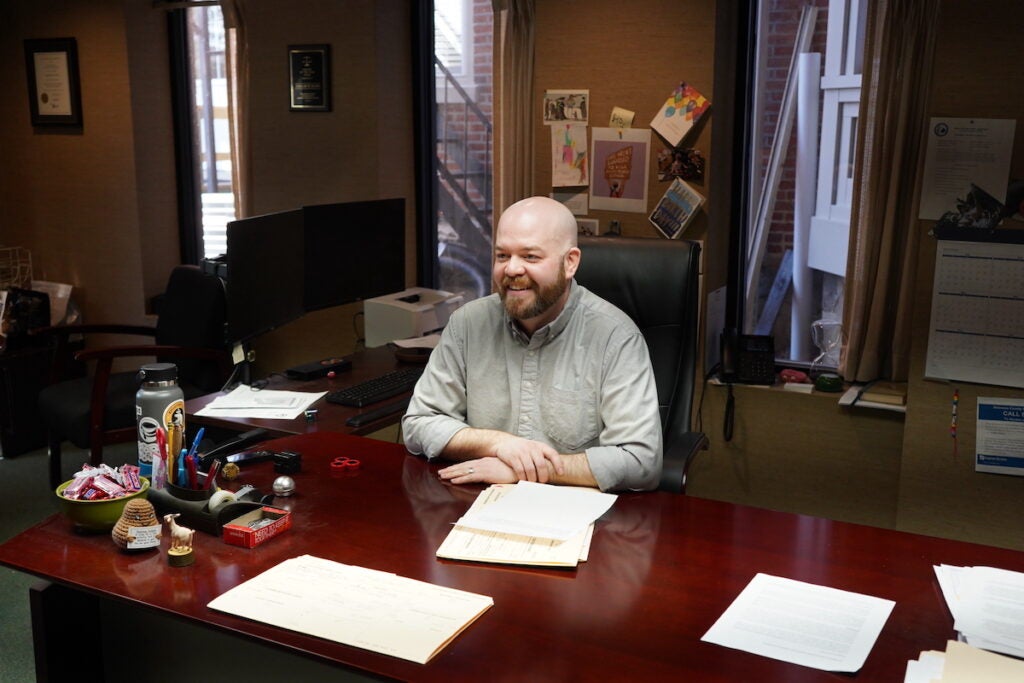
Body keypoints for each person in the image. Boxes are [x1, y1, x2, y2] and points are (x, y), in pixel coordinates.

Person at [402, 196, 662, 492]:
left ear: (570, 263)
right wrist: (500, 444)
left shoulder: (615, 337)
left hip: (577, 513)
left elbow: (641, 461)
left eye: (530, 257)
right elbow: (418, 424)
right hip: (480, 504)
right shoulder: (467, 324)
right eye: (502, 256)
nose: (512, 269)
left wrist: (524, 471)